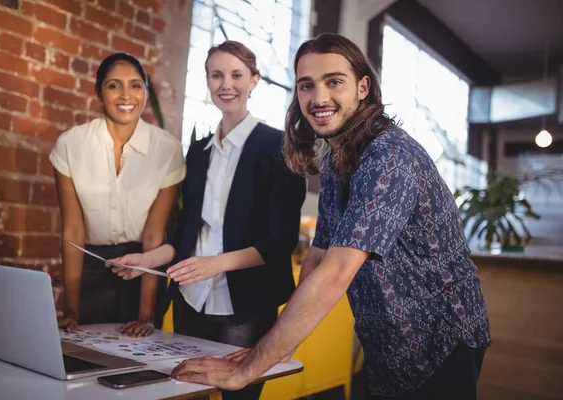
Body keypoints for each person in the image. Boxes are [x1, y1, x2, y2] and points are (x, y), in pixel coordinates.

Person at [168, 33, 492, 399]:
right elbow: (319, 255)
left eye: (334, 82)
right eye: (307, 86)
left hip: (441, 340)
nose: (319, 98)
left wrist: (248, 368)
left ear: (363, 87)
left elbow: (338, 271)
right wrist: (277, 349)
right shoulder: (335, 160)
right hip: (385, 343)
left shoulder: (389, 154)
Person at [110, 41, 306, 399]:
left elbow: (280, 242)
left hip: (244, 306)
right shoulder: (198, 152)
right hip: (191, 301)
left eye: (236, 75)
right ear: (207, 81)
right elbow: (187, 232)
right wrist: (146, 260)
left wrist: (216, 264)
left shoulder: (280, 148)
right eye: (216, 75)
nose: (225, 84)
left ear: (254, 81)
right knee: (186, 394)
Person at [50, 53, 186, 338]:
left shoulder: (167, 149)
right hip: (90, 265)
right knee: (83, 350)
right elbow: (73, 229)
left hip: (143, 266)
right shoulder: (70, 144)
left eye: (136, 85)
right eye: (114, 86)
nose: (126, 95)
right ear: (99, 92)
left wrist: (146, 315)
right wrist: (70, 310)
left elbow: (154, 235)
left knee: (138, 362)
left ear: (146, 93)